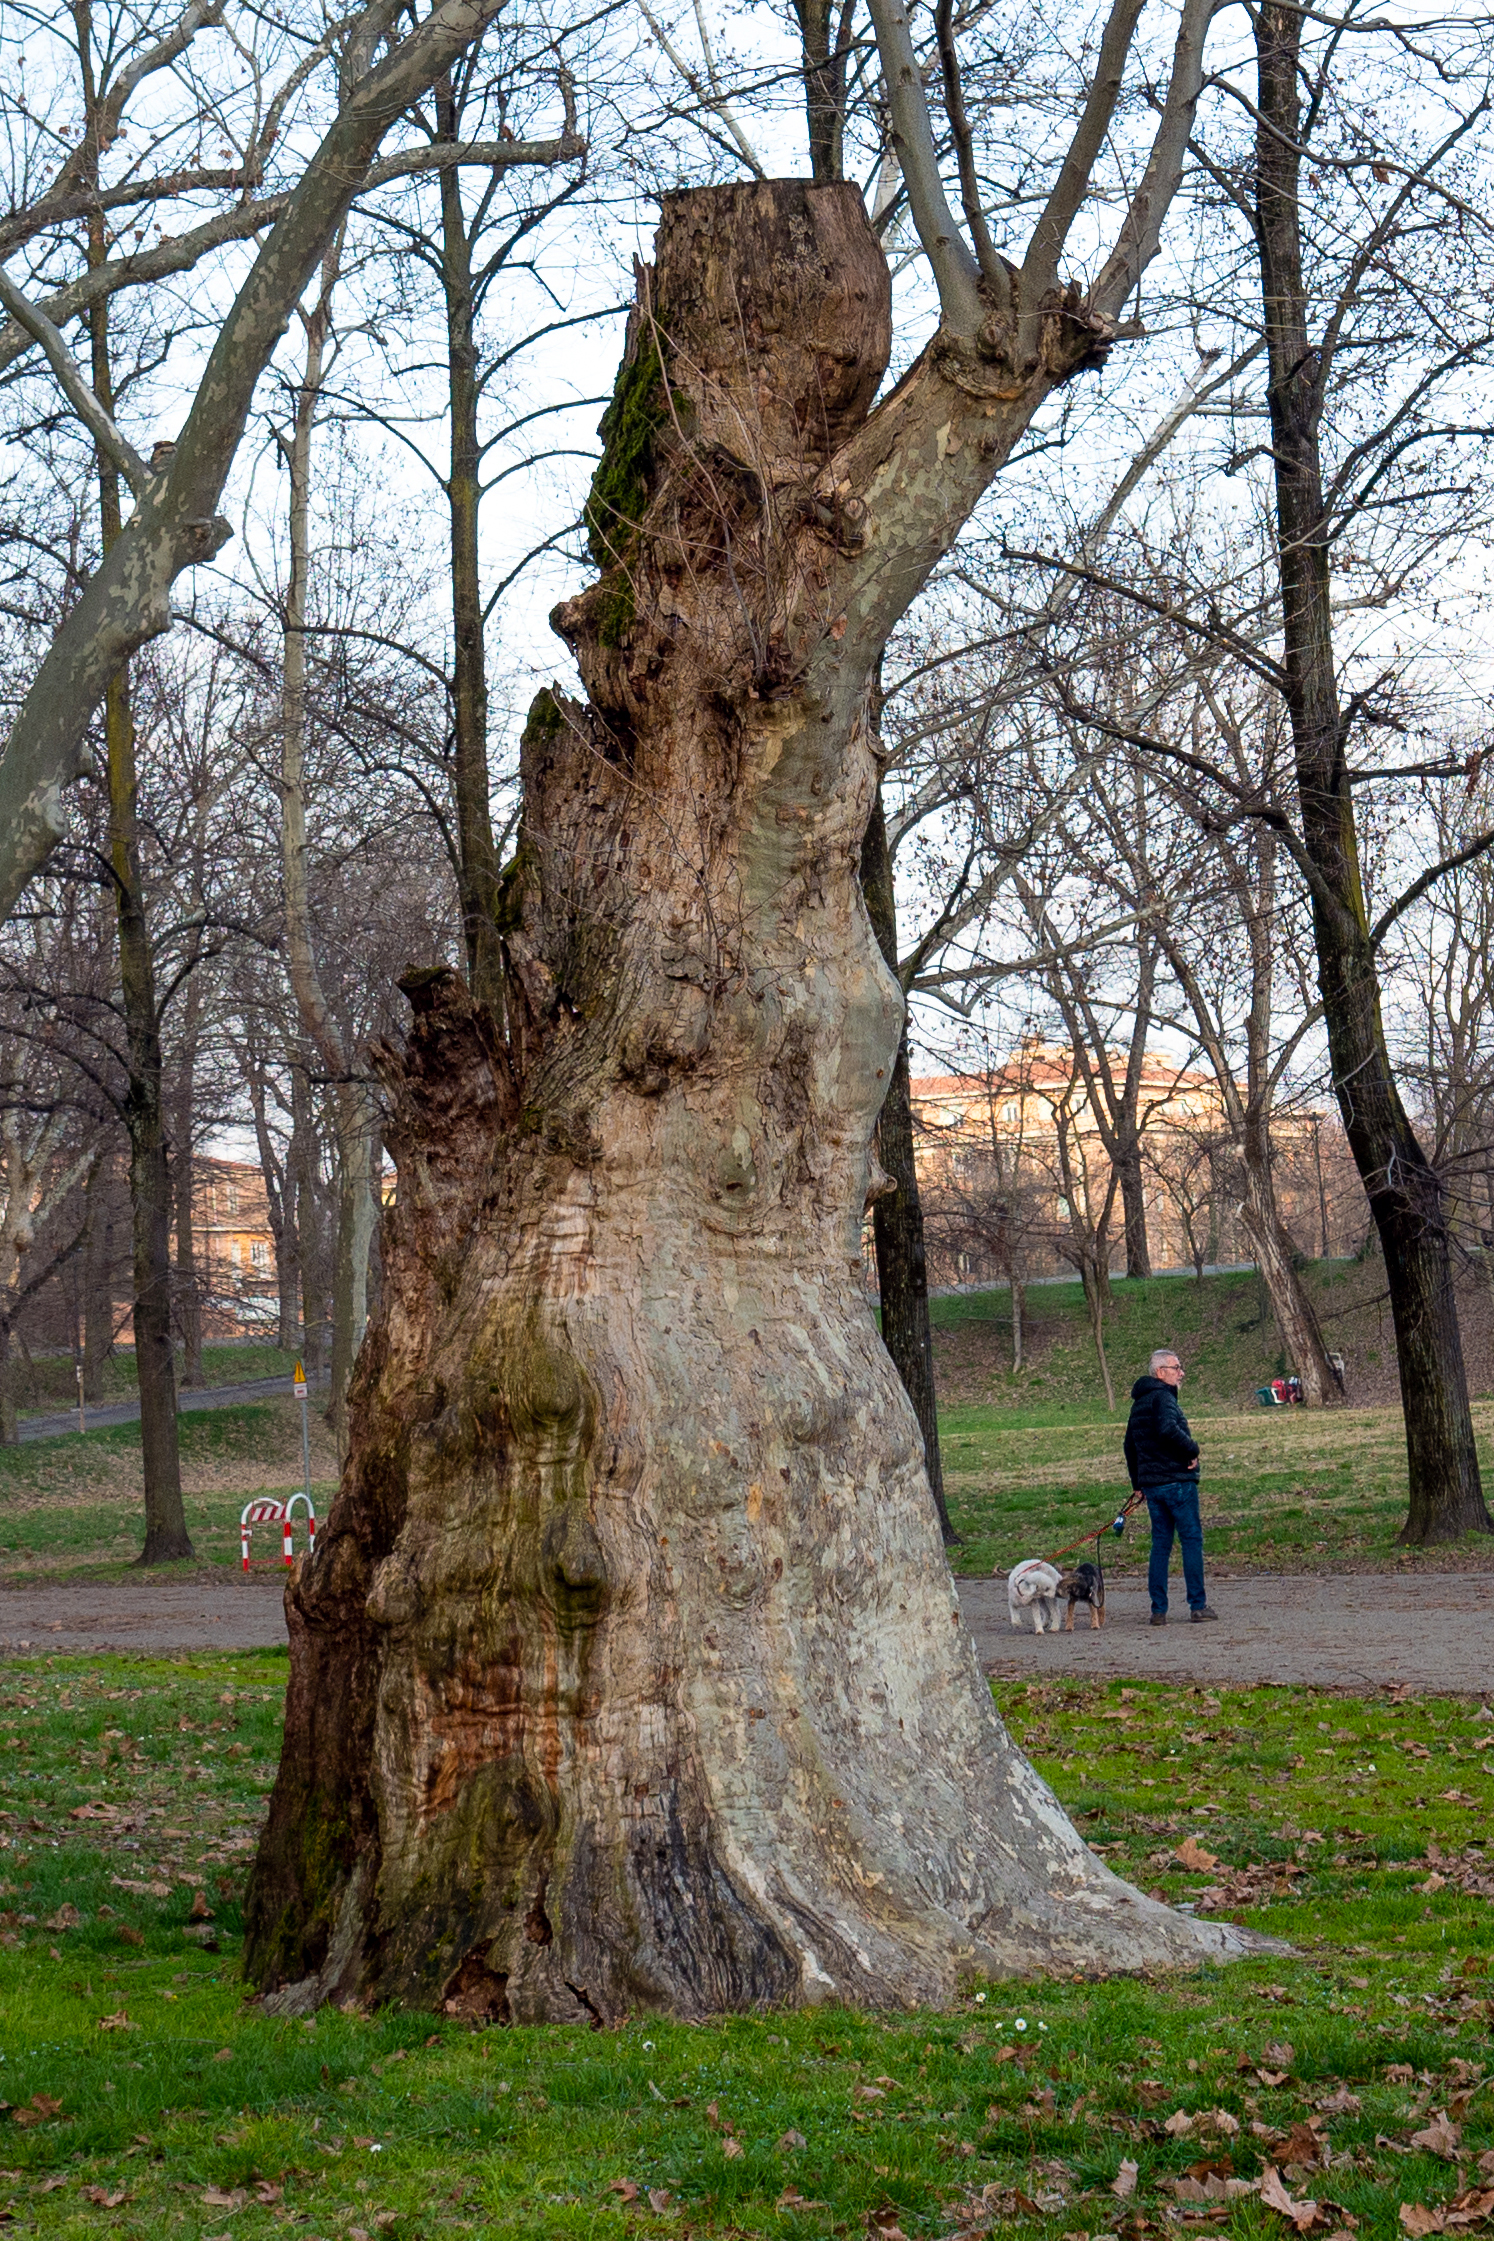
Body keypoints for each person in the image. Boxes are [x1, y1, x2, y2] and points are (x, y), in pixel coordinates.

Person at [1123, 1347, 1219, 1626]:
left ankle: (1158, 1609)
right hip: (1177, 1482)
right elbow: (1167, 1430)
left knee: (1161, 1545)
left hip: (1153, 1486)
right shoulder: (1163, 1398)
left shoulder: (1139, 1403)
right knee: (1191, 1539)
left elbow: (1129, 1445)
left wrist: (1138, 1482)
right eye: (1177, 1368)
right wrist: (1192, 1449)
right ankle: (1198, 1605)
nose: (1182, 1373)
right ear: (1160, 1372)